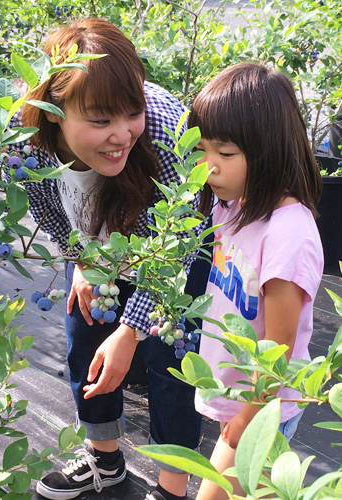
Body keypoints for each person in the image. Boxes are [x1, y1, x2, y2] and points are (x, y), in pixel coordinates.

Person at [7, 18, 209, 500]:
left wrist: (132, 328)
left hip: (178, 241)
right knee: (83, 334)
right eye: (100, 121)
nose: (123, 134)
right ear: (54, 113)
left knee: (173, 360)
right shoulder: (22, 148)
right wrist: (80, 262)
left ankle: (171, 488)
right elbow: (49, 213)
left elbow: (187, 231)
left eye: (130, 112)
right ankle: (105, 461)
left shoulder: (163, 129)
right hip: (104, 247)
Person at [187, 62, 324, 500]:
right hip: (241, 399)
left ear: (268, 151)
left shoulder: (288, 233)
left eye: (225, 154)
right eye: (201, 150)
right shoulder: (233, 205)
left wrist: (250, 414)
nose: (209, 167)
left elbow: (278, 346)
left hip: (264, 406)